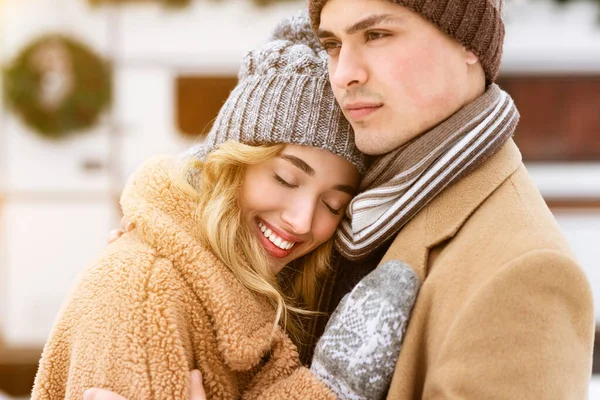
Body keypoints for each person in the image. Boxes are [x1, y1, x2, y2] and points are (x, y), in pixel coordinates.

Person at [98, 0, 596, 397]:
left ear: (468, 43)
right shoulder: (375, 200)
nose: (344, 73)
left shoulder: (525, 272)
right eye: (333, 44)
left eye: (376, 35)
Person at [31, 16, 411, 400]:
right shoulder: (145, 294)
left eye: (333, 204)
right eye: (285, 179)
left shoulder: (251, 285)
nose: (301, 220)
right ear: (231, 164)